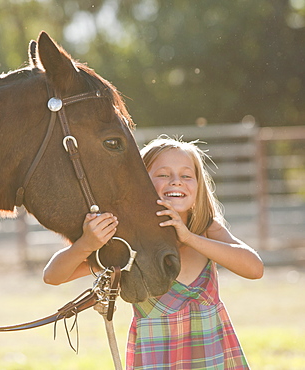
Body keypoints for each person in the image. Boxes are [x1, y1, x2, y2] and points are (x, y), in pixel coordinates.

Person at [43, 136, 264, 370]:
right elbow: (53, 276)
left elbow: (254, 268)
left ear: (198, 186)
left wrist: (189, 237)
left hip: (214, 359)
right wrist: (86, 243)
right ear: (140, 183)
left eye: (186, 176)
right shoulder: (129, 242)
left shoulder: (206, 229)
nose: (176, 182)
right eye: (163, 175)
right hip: (157, 360)